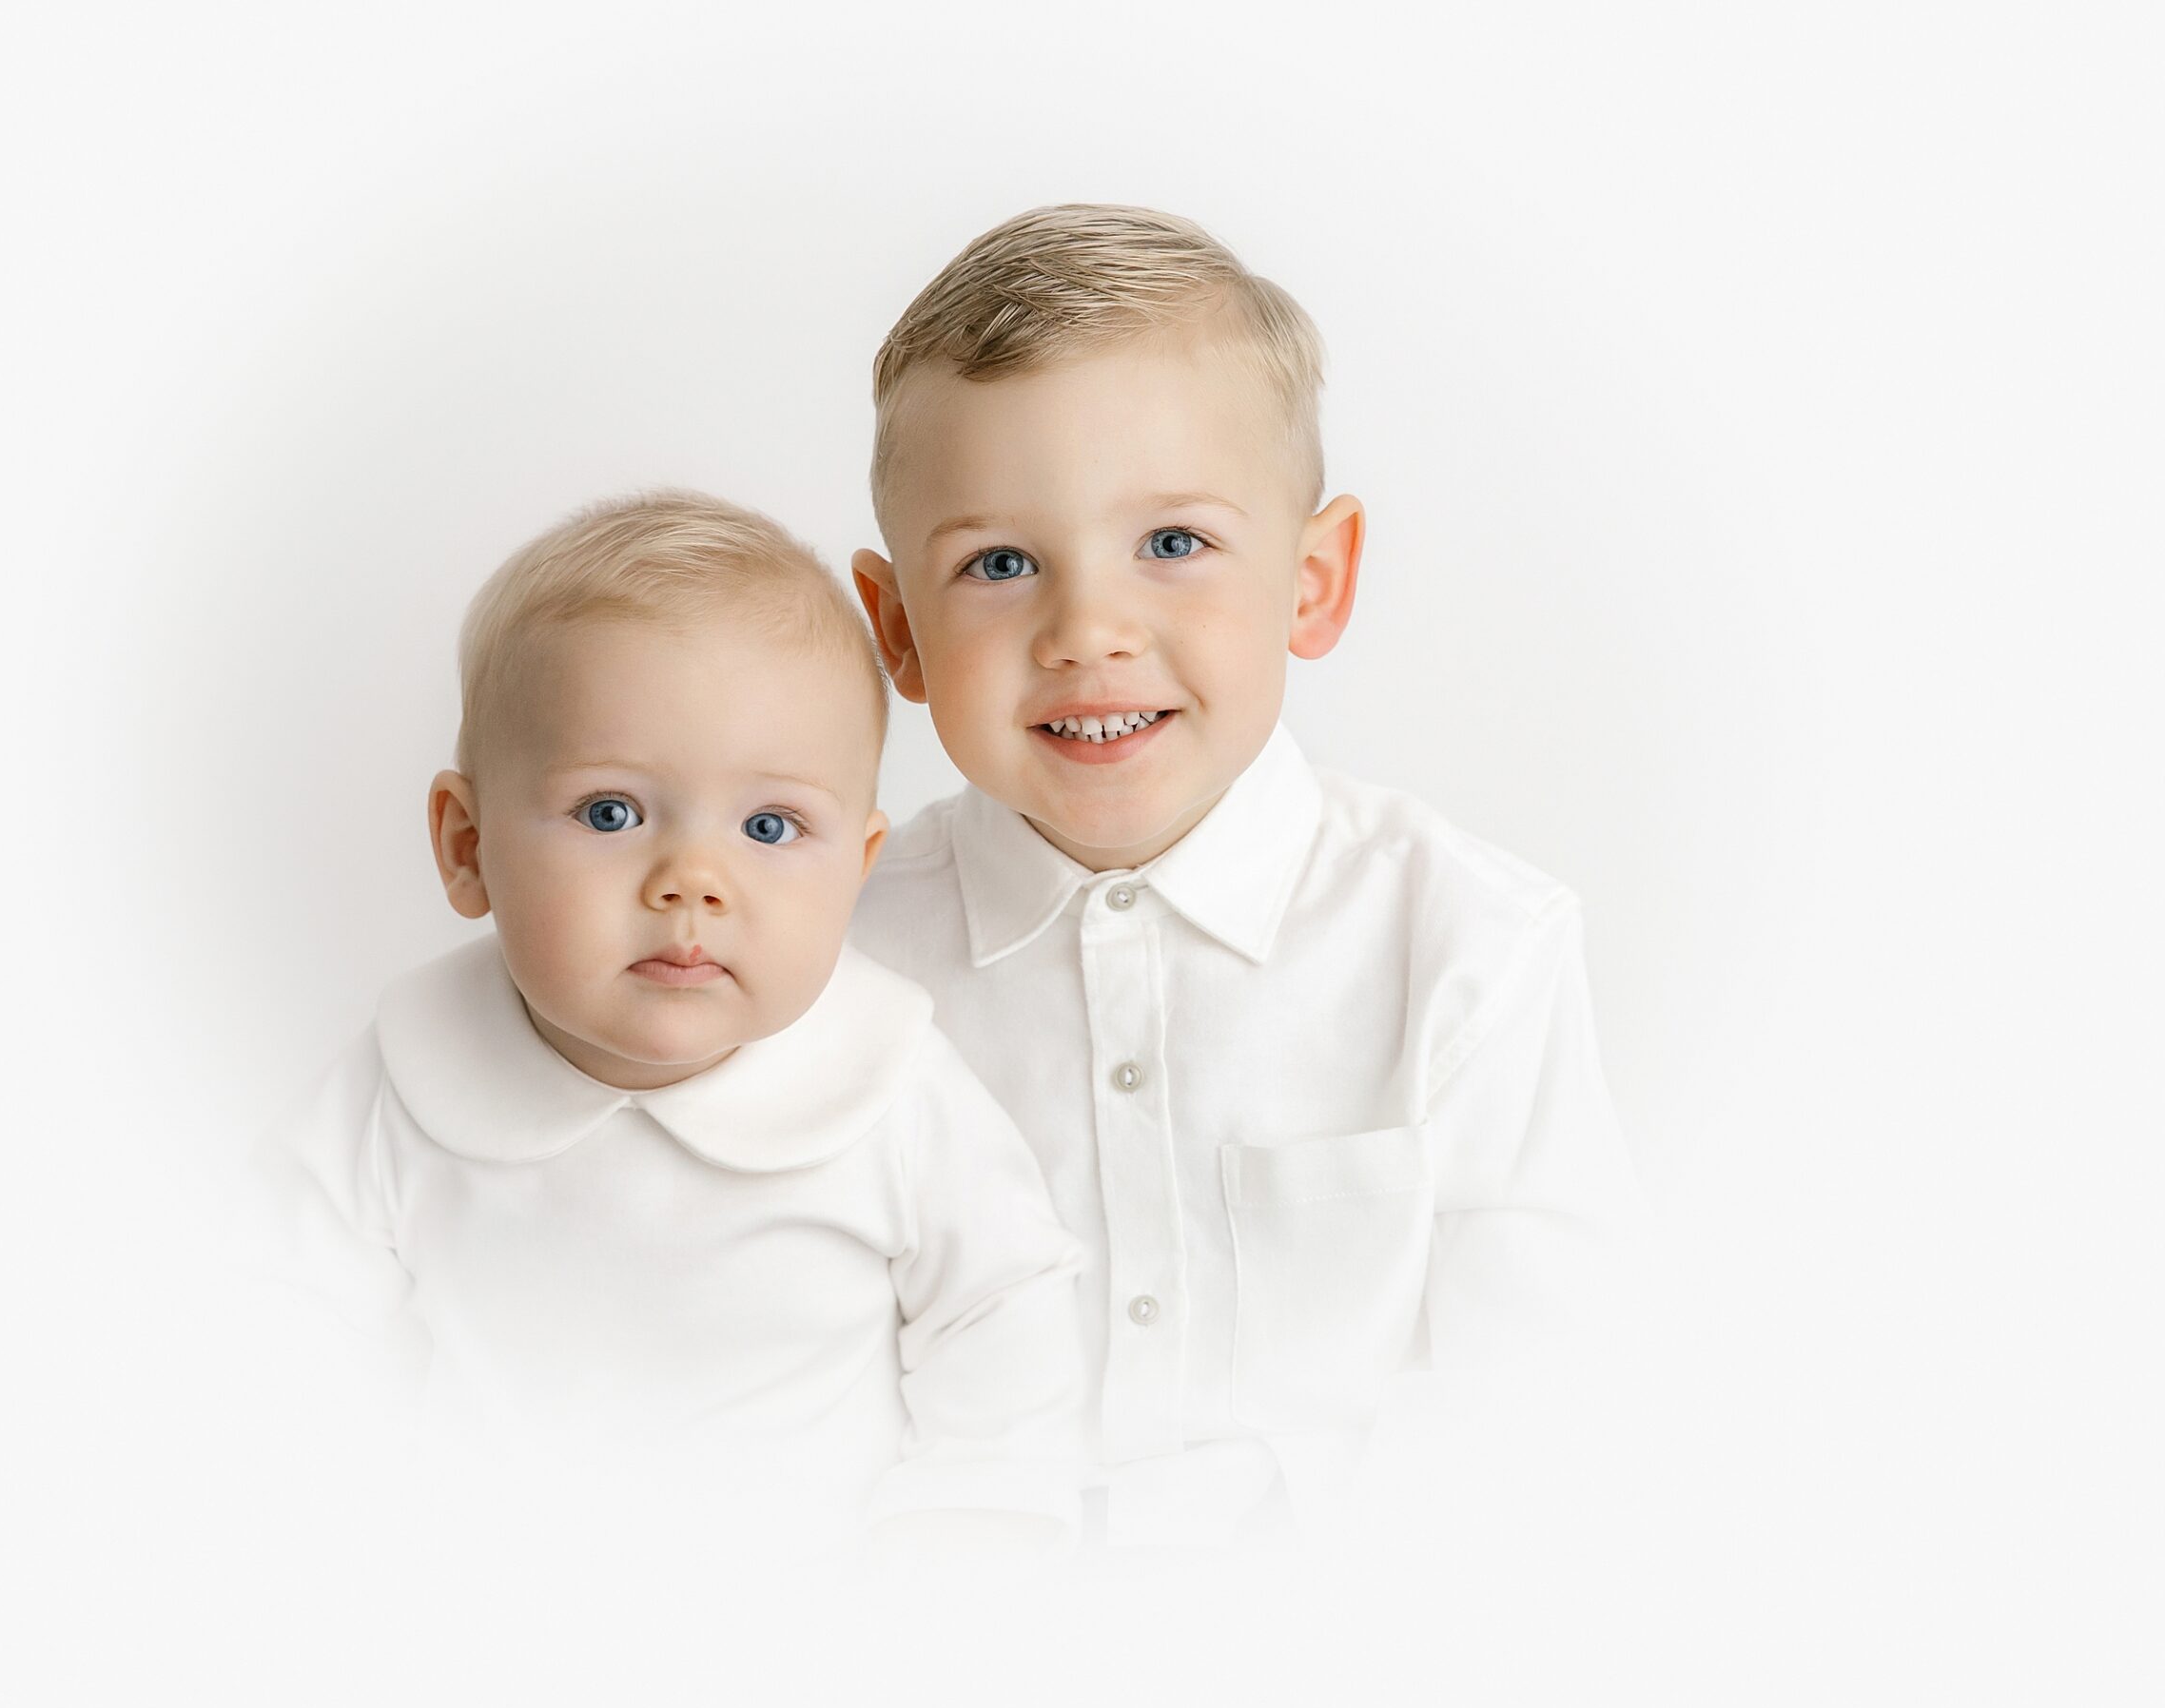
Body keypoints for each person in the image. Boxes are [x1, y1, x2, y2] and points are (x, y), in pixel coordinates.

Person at [847, 204, 1639, 1547]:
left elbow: (1552, 1408)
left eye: (1172, 543)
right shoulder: (831, 968)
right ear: (897, 631)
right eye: (999, 563)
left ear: (1313, 581)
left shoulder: (1471, 950)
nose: (1089, 630)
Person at [258, 489, 1085, 1557]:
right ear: (468, 846)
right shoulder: (407, 1075)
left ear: (857, 868)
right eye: (611, 813)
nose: (691, 880)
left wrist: (963, 1530)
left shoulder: (887, 1080)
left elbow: (1002, 1309)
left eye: (770, 826)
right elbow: (285, 1314)